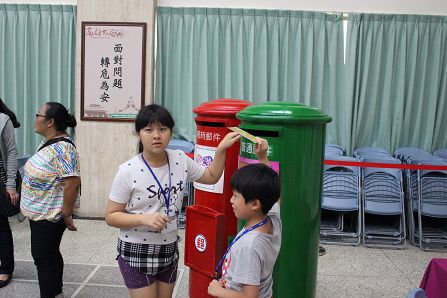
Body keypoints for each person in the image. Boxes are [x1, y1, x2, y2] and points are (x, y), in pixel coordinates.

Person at [105, 104, 242, 298]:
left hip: (168, 246)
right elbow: (111, 216)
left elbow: (211, 176)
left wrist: (220, 149)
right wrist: (144, 219)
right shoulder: (128, 171)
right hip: (136, 249)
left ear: (171, 131)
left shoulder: (180, 159)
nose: (156, 136)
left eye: (162, 129)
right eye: (149, 130)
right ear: (138, 133)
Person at [20, 102, 80, 298]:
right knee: (51, 255)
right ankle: (56, 292)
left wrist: (66, 213)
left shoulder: (63, 148)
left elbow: (72, 182)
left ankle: (50, 293)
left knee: (44, 260)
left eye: (38, 114)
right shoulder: (50, 142)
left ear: (50, 122)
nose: (35, 118)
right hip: (39, 213)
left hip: (49, 216)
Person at [208, 145, 281, 298]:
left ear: (255, 204)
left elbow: (250, 297)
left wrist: (217, 290)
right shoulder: (272, 218)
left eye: (235, 196)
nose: (231, 200)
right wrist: (262, 158)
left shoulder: (249, 246)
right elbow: (274, 195)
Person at [0, 98, 20, 288]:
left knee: (1, 226)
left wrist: (10, 185)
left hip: (0, 181)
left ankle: (6, 268)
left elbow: (12, 152)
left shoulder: (2, 120)